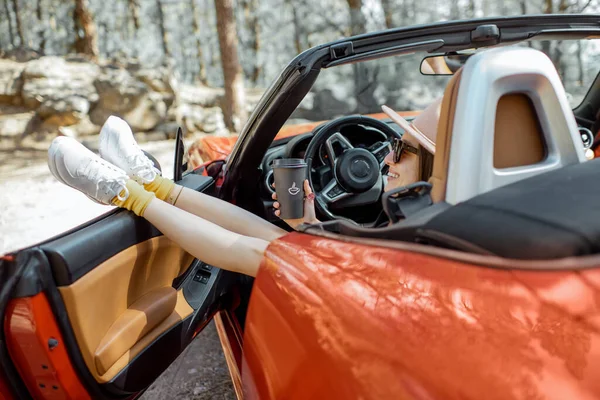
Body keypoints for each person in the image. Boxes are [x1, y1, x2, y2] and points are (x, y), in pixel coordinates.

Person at [47, 102, 440, 278]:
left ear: (436, 166)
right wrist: (311, 224)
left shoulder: (444, 223)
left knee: (266, 253)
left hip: (382, 299)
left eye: (403, 149)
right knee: (283, 240)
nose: (386, 160)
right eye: (391, 145)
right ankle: (153, 183)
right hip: (382, 281)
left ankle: (123, 192)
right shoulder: (433, 211)